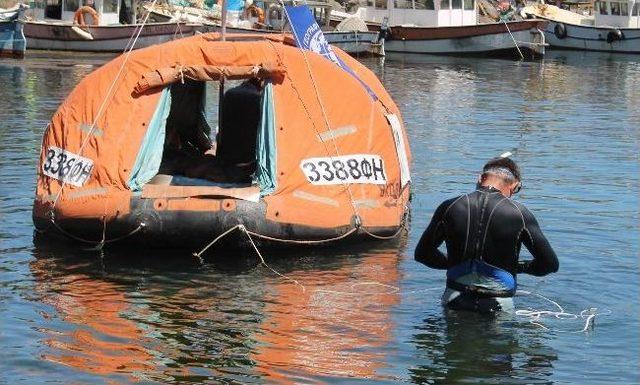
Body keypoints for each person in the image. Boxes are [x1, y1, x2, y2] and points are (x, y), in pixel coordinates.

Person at [414, 154, 559, 314]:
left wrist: (456, 263)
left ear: (480, 178)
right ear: (514, 185)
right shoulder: (519, 214)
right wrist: (519, 267)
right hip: (499, 305)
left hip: (454, 299)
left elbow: (423, 254)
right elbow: (550, 264)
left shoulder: (450, 206)